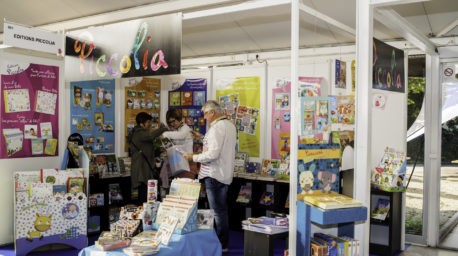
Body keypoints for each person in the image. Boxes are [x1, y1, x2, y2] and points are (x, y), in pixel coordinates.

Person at [184, 100, 236, 253]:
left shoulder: (216, 128)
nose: (204, 117)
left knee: (217, 212)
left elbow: (212, 154)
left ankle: (220, 245)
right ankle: (221, 243)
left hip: (213, 175)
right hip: (223, 174)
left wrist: (192, 157)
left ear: (212, 112)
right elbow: (216, 145)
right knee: (220, 210)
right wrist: (201, 137)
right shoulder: (229, 125)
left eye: (205, 114)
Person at [128, 112, 167, 204]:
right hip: (141, 169)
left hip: (145, 168)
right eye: (148, 122)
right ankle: (143, 215)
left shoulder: (141, 133)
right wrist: (163, 129)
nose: (150, 124)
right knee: (143, 195)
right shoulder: (139, 133)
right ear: (142, 123)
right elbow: (150, 136)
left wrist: (158, 151)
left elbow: (147, 150)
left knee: (146, 194)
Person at [162, 108, 198, 179]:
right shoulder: (176, 131)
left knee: (186, 188)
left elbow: (181, 135)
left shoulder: (185, 128)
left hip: (188, 164)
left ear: (179, 118)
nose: (172, 124)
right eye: (170, 122)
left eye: (173, 121)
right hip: (178, 164)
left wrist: (165, 133)